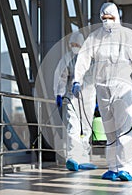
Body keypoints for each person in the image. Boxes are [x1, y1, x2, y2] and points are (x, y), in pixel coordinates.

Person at [71, 2, 132, 181]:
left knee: (124, 129)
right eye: (104, 18)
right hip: (102, 88)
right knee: (110, 131)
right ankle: (113, 167)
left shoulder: (129, 36)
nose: (107, 21)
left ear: (117, 17)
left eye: (110, 18)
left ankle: (126, 169)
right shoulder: (95, 37)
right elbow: (83, 58)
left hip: (122, 88)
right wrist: (77, 79)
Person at [53, 31, 97, 171]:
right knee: (73, 126)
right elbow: (61, 76)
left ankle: (84, 159)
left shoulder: (91, 59)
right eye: (72, 44)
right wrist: (59, 94)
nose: (74, 47)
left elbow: (99, 78)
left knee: (86, 128)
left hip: (89, 97)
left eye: (77, 44)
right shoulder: (67, 58)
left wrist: (100, 100)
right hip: (73, 96)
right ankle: (73, 158)